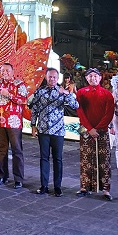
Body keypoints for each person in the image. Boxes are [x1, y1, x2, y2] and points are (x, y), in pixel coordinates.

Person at [29, 67, 79, 196]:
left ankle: (58, 187)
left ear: (58, 79)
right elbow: (34, 109)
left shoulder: (63, 91)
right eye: (50, 77)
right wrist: (33, 125)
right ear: (46, 77)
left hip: (58, 131)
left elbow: (75, 105)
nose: (52, 79)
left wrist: (66, 93)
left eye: (54, 77)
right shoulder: (40, 92)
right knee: (44, 158)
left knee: (58, 159)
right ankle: (44, 185)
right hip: (44, 130)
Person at [76, 67, 115, 200]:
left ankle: (105, 189)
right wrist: (89, 128)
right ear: (86, 78)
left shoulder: (107, 94)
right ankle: (84, 186)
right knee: (86, 159)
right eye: (90, 76)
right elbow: (80, 111)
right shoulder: (81, 93)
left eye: (95, 76)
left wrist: (98, 129)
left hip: (101, 132)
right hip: (86, 131)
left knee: (104, 160)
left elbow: (109, 113)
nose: (93, 78)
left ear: (100, 78)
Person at [0, 62, 28, 188]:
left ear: (13, 71)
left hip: (13, 122)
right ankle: (3, 176)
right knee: (1, 150)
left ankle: (18, 179)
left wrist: (9, 94)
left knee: (16, 150)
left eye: (7, 70)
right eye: (2, 71)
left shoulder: (19, 84)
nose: (4, 73)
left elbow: (23, 100)